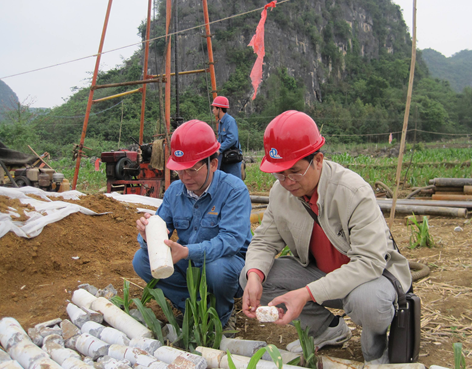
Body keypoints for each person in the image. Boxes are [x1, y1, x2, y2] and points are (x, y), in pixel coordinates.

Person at [240, 111, 412, 364]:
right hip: (320, 275)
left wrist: (306, 293)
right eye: (279, 174)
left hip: (366, 279)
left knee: (368, 302)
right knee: (250, 276)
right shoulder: (280, 193)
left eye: (295, 172)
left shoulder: (352, 192)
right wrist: (254, 275)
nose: (287, 182)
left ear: (318, 160)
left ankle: (377, 350)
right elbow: (264, 241)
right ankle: (328, 329)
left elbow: (370, 262)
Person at [133, 119, 252, 328]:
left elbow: (231, 241)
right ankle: (194, 309)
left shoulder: (234, 190)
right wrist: (148, 237)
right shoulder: (174, 192)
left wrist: (187, 252)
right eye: (180, 170)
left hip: (230, 264)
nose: (185, 177)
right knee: (142, 259)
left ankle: (223, 315)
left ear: (213, 164)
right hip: (190, 260)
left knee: (216, 268)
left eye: (192, 169)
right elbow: (162, 231)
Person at [212, 96, 243, 179]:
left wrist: (220, 149)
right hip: (224, 158)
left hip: (232, 158)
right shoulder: (221, 122)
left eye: (214, 108)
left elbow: (232, 138)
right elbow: (220, 139)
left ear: (220, 109)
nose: (213, 110)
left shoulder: (230, 121)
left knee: (234, 182)